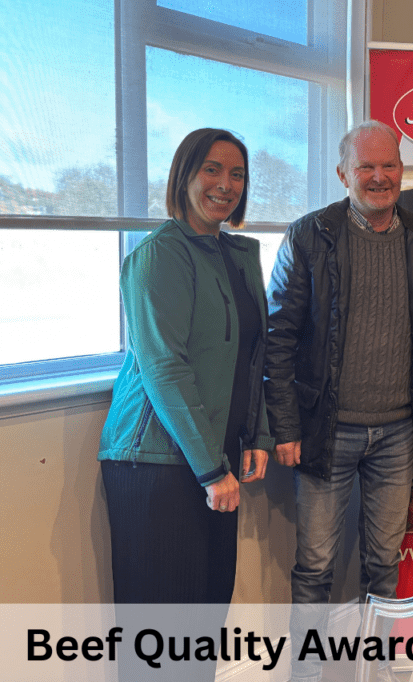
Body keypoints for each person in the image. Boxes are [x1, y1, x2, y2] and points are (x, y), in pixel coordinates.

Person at [264, 120, 413, 682]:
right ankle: (306, 675)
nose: (378, 176)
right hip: (326, 429)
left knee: (384, 567)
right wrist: (285, 426)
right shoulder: (310, 235)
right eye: (365, 166)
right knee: (315, 566)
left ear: (402, 171)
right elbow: (278, 336)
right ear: (343, 174)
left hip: (398, 433)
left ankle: (377, 671)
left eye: (388, 165)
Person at [97, 128, 272, 677]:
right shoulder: (159, 256)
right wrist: (211, 469)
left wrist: (258, 433)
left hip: (215, 458)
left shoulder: (235, 255)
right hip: (156, 462)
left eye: (237, 174)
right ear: (184, 176)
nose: (226, 184)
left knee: (203, 621)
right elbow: (164, 368)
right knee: (160, 640)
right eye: (212, 169)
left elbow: (252, 355)